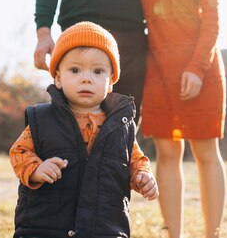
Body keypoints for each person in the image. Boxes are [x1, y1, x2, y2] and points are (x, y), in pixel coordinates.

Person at [136, 0, 227, 238]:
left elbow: (212, 13)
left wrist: (197, 65)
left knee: (205, 152)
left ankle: (212, 235)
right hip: (159, 67)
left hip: (197, 64)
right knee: (167, 154)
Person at [11, 21, 158, 238]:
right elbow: (19, 151)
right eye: (75, 70)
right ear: (58, 78)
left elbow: (135, 160)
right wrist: (36, 169)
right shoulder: (42, 119)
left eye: (98, 71)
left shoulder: (121, 125)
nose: (86, 77)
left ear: (110, 83)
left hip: (104, 227)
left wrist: (142, 177)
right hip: (45, 226)